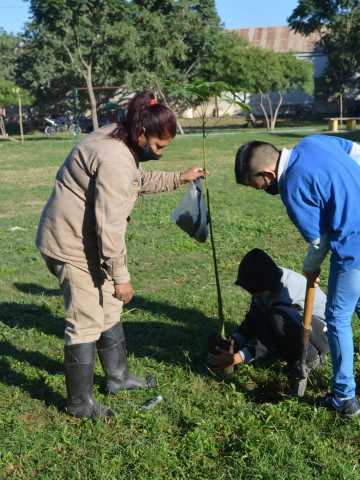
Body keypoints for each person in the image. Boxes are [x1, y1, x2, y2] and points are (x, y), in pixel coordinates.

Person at [36, 91, 205, 419]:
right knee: (85, 321)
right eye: (157, 146)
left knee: (110, 308)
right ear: (141, 133)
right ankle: (79, 404)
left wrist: (177, 178)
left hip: (88, 243)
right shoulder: (114, 158)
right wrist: (122, 277)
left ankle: (118, 378)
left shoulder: (120, 136)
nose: (158, 153)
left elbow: (135, 181)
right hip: (70, 245)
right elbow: (109, 228)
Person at [234, 135, 360, 417]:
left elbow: (318, 242)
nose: (264, 190)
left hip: (354, 244)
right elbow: (357, 152)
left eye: (260, 186)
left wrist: (310, 268)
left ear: (267, 174)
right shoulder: (313, 142)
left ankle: (344, 399)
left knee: (338, 319)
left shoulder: (292, 186)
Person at [208, 249, 329, 393]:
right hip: (293, 322)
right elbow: (254, 317)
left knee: (277, 319)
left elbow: (267, 341)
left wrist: (237, 358)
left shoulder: (285, 294)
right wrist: (234, 341)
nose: (252, 293)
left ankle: (311, 359)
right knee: (264, 312)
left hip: (319, 337)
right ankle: (283, 349)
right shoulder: (266, 281)